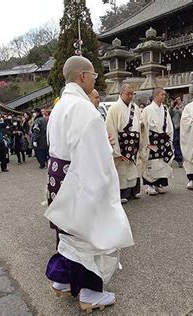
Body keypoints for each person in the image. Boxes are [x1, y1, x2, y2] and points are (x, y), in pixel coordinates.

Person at [45, 56, 133, 312]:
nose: (96, 78)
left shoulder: (60, 106)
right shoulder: (85, 110)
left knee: (69, 233)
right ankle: (90, 293)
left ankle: (62, 280)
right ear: (82, 76)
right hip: (80, 178)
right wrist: (103, 192)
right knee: (90, 237)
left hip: (58, 179)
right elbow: (95, 160)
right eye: (94, 74)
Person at [106, 84, 142, 204]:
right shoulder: (114, 108)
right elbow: (111, 128)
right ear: (120, 94)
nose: (130, 96)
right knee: (122, 168)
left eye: (132, 94)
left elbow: (140, 123)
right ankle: (122, 193)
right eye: (128, 94)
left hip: (134, 143)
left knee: (133, 167)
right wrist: (116, 149)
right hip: (122, 143)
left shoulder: (135, 108)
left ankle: (134, 191)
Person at [139, 88, 174, 195]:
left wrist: (169, 137)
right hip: (152, 140)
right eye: (162, 94)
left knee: (162, 161)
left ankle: (159, 184)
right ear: (156, 96)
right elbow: (142, 124)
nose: (164, 96)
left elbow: (169, 124)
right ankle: (150, 185)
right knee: (152, 161)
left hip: (162, 139)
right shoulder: (147, 110)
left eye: (164, 95)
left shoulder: (164, 109)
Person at [170, 96, 183, 167]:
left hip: (182, 127)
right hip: (174, 127)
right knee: (175, 142)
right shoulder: (173, 108)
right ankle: (178, 157)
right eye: (176, 100)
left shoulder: (184, 107)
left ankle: (180, 157)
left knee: (179, 142)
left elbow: (184, 115)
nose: (178, 101)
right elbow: (170, 114)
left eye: (179, 100)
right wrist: (172, 106)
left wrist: (179, 109)